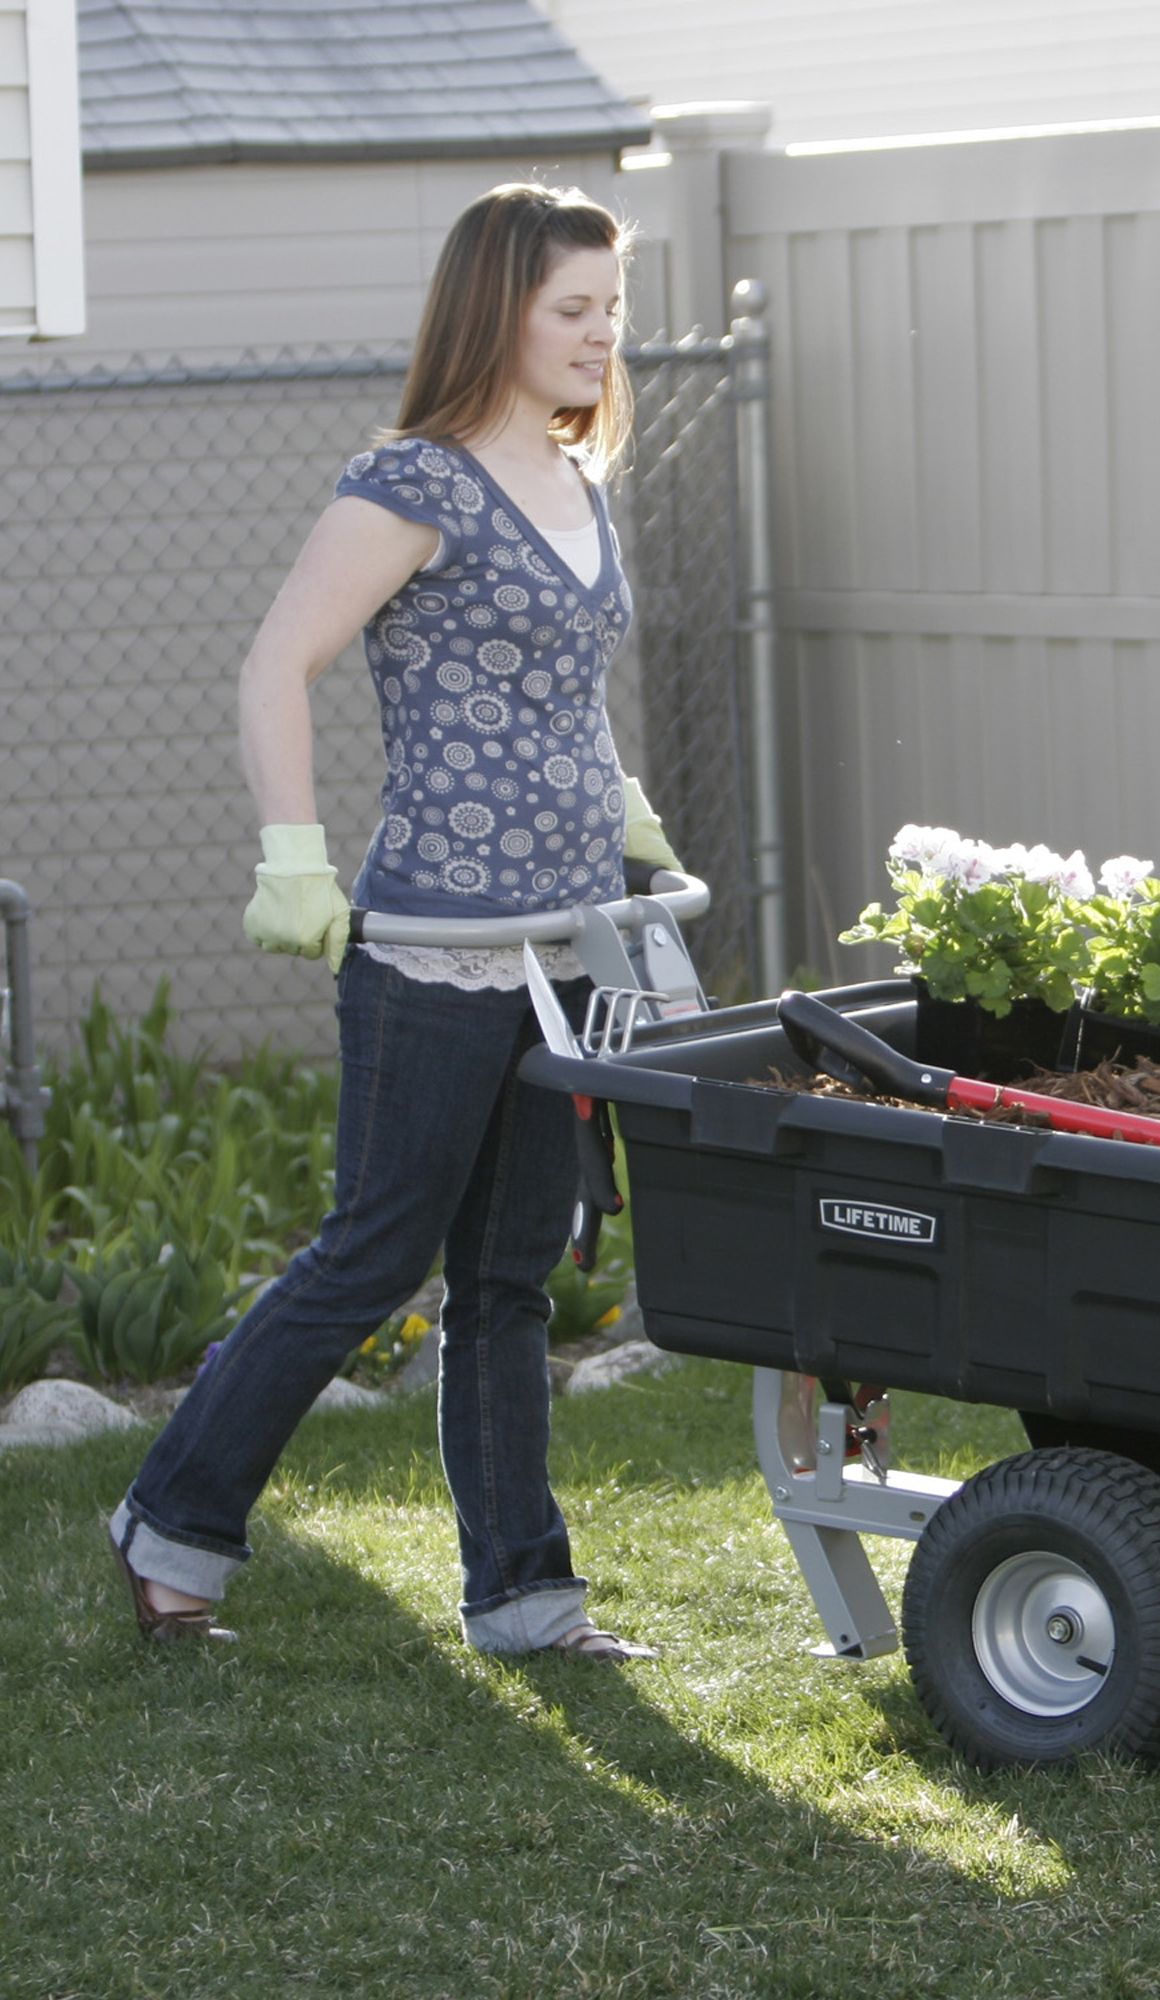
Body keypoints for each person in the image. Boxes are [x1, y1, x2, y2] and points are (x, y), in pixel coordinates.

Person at [106, 182, 680, 1660]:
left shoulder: (577, 481)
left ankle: (525, 1595)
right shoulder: (408, 484)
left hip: (565, 948)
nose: (601, 335)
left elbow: (565, 687)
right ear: (496, 309)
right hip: (435, 948)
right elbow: (272, 666)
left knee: (511, 1277)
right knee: (371, 1257)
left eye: (612, 309)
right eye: (573, 309)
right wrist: (292, 856)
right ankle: (171, 1527)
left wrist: (621, 798)